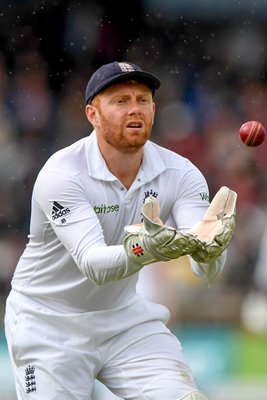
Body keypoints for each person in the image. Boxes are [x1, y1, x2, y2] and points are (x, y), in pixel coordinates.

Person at [4, 61, 237, 400]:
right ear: (92, 114)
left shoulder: (181, 173)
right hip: (47, 323)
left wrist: (213, 250)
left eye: (143, 100)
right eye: (121, 101)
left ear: (154, 110)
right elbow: (94, 265)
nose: (135, 109)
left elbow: (206, 270)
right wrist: (148, 249)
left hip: (124, 320)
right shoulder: (63, 173)